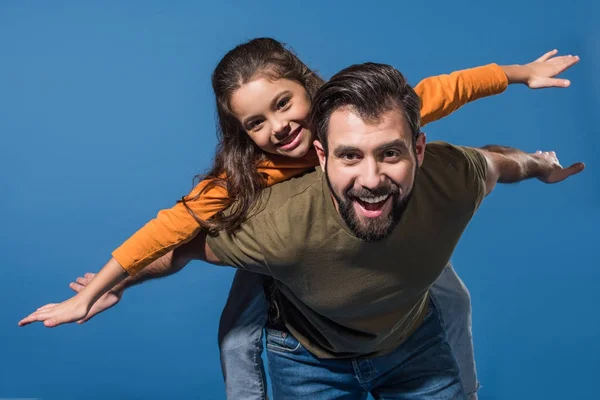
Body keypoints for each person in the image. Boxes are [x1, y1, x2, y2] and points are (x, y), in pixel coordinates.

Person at [19, 39, 580, 399]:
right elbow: (171, 232)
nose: (278, 127)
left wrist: (520, 72)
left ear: (307, 85)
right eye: (256, 123)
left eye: (285, 104)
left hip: (379, 244)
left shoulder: (362, 116)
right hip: (282, 254)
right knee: (240, 334)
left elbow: (449, 90)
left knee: (450, 297)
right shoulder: (246, 185)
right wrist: (101, 286)